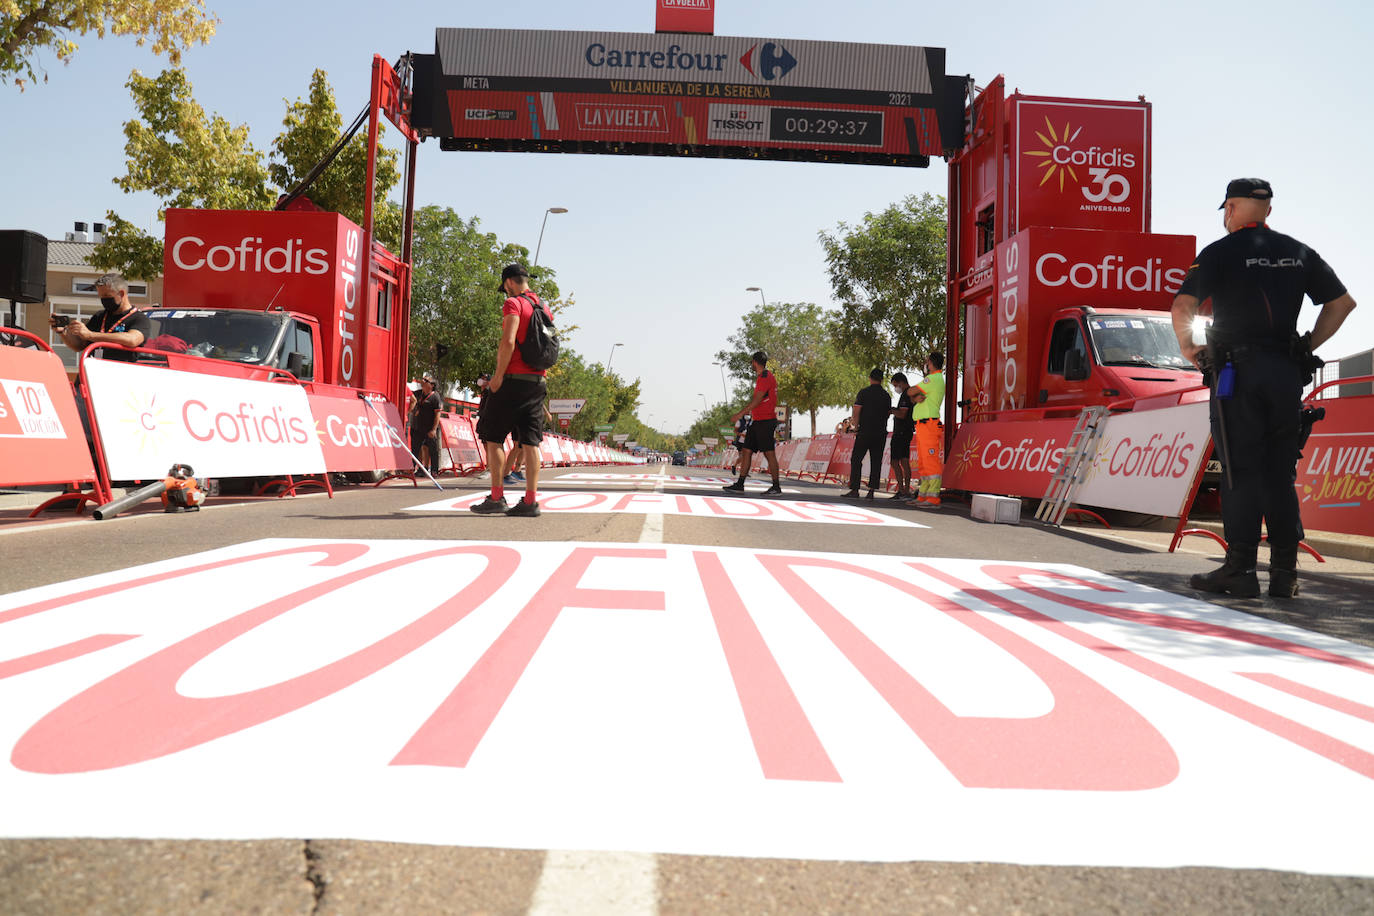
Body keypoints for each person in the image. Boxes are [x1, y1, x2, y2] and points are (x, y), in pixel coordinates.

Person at [1171, 178, 1356, 598]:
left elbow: (1182, 306)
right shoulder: (1298, 252)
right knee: (1279, 471)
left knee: (1240, 469)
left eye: (1226, 210)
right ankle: (1285, 575)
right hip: (1285, 374)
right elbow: (1343, 303)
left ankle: (1239, 570)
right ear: (1268, 211)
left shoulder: (1219, 252)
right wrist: (1306, 345)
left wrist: (1193, 350)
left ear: (1231, 210)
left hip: (1237, 373)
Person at [472, 264, 553, 517]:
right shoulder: (545, 308)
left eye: (504, 287)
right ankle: (530, 501)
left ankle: (497, 497)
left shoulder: (513, 304)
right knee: (531, 442)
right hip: (538, 382)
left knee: (493, 437)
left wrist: (497, 378)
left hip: (512, 380)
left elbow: (508, 341)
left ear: (509, 282)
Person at [51, 272, 150, 362]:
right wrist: (63, 333)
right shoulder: (99, 316)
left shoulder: (139, 318)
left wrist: (90, 335)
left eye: (107, 296)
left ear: (121, 293)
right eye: (101, 297)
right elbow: (79, 345)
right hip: (90, 375)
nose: (104, 300)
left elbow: (132, 339)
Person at [722, 351, 782, 495]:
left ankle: (776, 487)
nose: (751, 364)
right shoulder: (762, 377)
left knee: (769, 454)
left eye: (751, 362)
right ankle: (740, 484)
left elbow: (757, 400)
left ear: (755, 362)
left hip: (766, 421)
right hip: (757, 421)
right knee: (747, 451)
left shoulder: (765, 377)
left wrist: (740, 414)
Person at [906, 352, 946, 507]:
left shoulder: (932, 379)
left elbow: (910, 391)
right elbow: (912, 395)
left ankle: (933, 497)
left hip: (929, 425)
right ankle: (923, 496)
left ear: (930, 362)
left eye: (927, 362)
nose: (925, 364)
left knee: (931, 461)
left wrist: (914, 396)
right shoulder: (933, 380)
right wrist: (915, 398)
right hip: (923, 425)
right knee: (923, 462)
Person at [844, 368, 891, 498]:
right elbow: (888, 414)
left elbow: (857, 411)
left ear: (870, 378)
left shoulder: (864, 393)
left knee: (856, 459)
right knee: (876, 461)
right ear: (881, 380)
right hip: (880, 432)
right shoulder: (886, 396)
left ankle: (855, 489)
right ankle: (871, 491)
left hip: (865, 431)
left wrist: (856, 426)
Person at [887, 372, 914, 499]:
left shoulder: (906, 394)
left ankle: (904, 490)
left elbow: (902, 414)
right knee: (902, 461)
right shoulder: (907, 393)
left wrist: (892, 410)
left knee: (897, 461)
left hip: (902, 432)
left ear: (901, 382)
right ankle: (904, 490)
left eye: (896, 385)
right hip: (905, 431)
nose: (895, 388)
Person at [410, 374, 442, 477]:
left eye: (426, 380)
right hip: (417, 428)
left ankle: (434, 471)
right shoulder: (418, 394)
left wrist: (433, 430)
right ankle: (416, 469)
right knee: (415, 449)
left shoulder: (435, 397)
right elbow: (410, 397)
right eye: (422, 379)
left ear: (432, 385)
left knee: (433, 450)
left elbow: (437, 414)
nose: (422, 381)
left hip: (429, 429)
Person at [729, 413, 752, 477]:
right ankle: (734, 466)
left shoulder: (752, 422)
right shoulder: (739, 421)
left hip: (748, 441)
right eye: (747, 414)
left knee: (747, 457)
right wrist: (742, 434)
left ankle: (745, 471)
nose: (748, 416)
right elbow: (735, 431)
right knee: (742, 456)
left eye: (749, 414)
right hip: (740, 441)